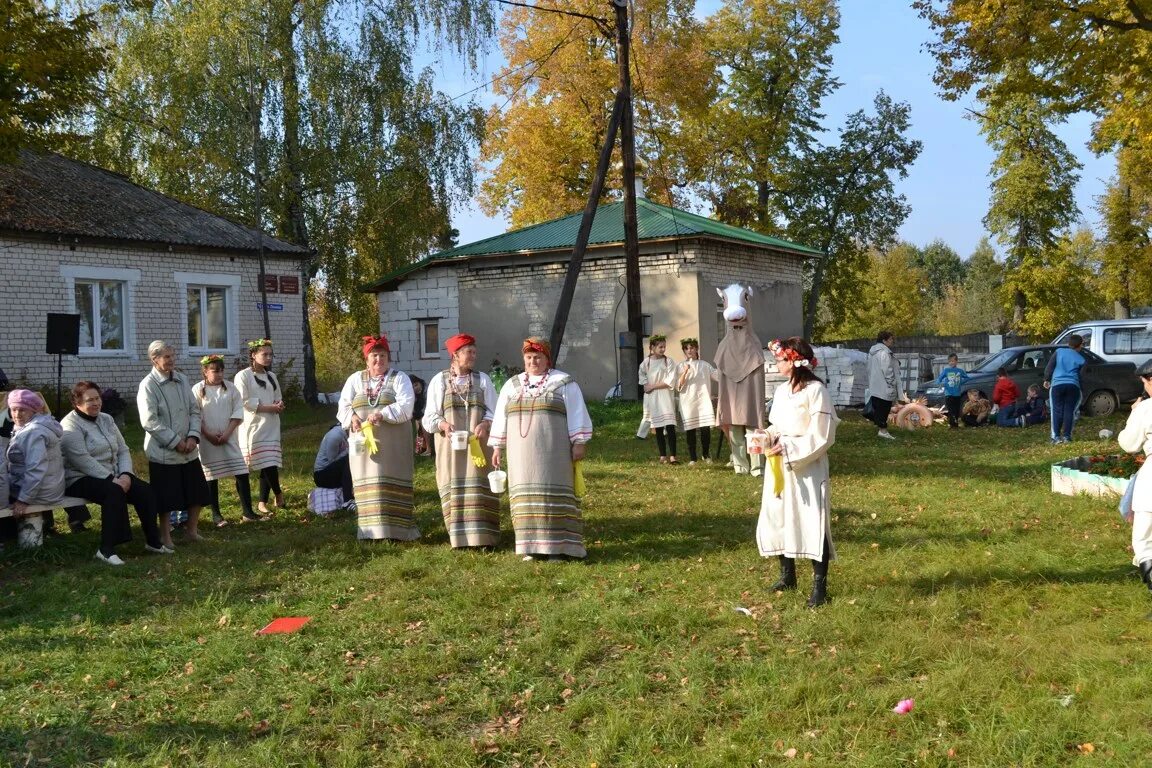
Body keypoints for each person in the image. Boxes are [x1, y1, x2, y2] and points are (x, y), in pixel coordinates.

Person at [489, 337, 592, 561]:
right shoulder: (512, 385)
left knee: (553, 496)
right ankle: (531, 547)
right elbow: (500, 417)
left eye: (538, 357)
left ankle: (559, 548)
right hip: (520, 456)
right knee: (524, 496)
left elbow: (577, 413)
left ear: (547, 359)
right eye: (528, 358)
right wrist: (497, 446)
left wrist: (579, 441)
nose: (533, 361)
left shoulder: (564, 383)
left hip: (553, 453)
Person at [757, 338, 840, 608]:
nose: (776, 364)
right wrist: (765, 437)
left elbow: (823, 435)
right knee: (780, 516)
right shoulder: (782, 392)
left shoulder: (816, 391)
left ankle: (820, 587)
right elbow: (777, 425)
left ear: (794, 360)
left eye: (780, 359)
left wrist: (790, 448)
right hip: (780, 466)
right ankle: (787, 575)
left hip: (807, 467)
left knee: (811, 519)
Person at [60, 381, 169, 564]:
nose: (96, 403)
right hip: (79, 478)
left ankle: (153, 542)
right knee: (113, 491)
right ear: (77, 402)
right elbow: (82, 460)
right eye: (90, 400)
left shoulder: (106, 419)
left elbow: (123, 450)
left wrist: (126, 474)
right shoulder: (70, 425)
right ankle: (106, 549)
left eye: (97, 398)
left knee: (145, 491)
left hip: (113, 475)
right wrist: (112, 479)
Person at [422, 332, 501, 549]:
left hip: (478, 444)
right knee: (453, 484)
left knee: (479, 484)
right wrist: (443, 425)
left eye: (475, 352)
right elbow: (429, 416)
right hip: (450, 446)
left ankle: (484, 537)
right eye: (469, 352)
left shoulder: (482, 380)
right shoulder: (440, 381)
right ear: (455, 355)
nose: (473, 356)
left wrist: (485, 424)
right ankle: (459, 538)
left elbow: (496, 411)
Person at [338, 334, 418, 541]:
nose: (378, 360)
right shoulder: (355, 379)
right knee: (367, 480)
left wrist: (383, 414)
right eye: (374, 356)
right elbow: (343, 406)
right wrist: (353, 417)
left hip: (394, 442)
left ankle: (398, 531)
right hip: (364, 444)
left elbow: (406, 406)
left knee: (394, 480)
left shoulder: (399, 378)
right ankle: (370, 532)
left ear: (388, 358)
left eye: (382, 356)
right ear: (366, 359)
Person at [137, 339, 210, 547]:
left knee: (196, 492)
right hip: (164, 452)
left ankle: (191, 531)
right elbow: (149, 421)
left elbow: (194, 410)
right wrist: (176, 442)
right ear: (154, 359)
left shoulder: (182, 379)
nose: (171, 360)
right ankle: (165, 536)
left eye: (173, 356)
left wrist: (193, 437)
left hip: (189, 448)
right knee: (166, 498)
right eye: (166, 357)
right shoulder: (148, 385)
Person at [194, 355, 261, 525]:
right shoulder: (197, 390)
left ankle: (248, 512)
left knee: (241, 471)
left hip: (228, 437)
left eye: (222, 370)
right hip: (207, 440)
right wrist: (208, 434)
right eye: (215, 371)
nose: (219, 374)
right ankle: (216, 514)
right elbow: (195, 414)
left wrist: (227, 433)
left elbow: (238, 412)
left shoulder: (230, 389)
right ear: (205, 371)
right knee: (211, 476)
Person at [4, 390, 66, 548]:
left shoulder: (33, 432)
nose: (17, 414)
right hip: (47, 486)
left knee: (1, 496)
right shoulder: (31, 425)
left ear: (34, 410)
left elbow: (36, 469)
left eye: (22, 409)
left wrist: (23, 500)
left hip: (41, 491)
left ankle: (5, 540)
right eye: (13, 409)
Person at [234, 339, 286, 514]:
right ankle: (278, 493)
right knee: (265, 462)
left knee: (269, 462)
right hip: (253, 426)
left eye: (271, 354)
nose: (269, 357)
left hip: (271, 424)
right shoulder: (243, 376)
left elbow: (278, 396)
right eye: (265, 354)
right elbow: (244, 402)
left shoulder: (271, 376)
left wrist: (279, 404)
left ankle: (262, 502)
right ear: (253, 355)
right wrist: (270, 407)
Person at [1118, 360, 1152, 597]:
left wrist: (1133, 414)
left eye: (1144, 382)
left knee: (1144, 540)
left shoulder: (1146, 409)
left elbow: (1129, 444)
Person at [675, 337, 717, 465]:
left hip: (703, 400)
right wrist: (685, 371)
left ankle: (705, 454)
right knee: (690, 429)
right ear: (684, 351)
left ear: (696, 349)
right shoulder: (680, 366)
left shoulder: (704, 365)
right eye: (686, 348)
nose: (689, 350)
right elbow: (678, 386)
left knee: (705, 429)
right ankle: (693, 457)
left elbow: (717, 376)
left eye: (691, 347)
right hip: (688, 401)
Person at [639, 334, 679, 464]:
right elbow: (643, 377)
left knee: (670, 426)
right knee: (658, 427)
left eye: (664, 347)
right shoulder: (646, 362)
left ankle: (673, 456)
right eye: (660, 347)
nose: (663, 349)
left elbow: (669, 381)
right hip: (653, 398)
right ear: (652, 347)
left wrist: (652, 386)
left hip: (666, 396)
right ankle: (662, 456)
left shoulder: (669, 361)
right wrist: (646, 385)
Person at [1044, 333, 1086, 444]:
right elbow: (1081, 377)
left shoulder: (1059, 352)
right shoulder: (1081, 359)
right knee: (1069, 411)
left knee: (1056, 410)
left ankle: (1055, 437)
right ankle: (1067, 437)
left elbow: (1050, 366)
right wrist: (1081, 390)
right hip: (1073, 386)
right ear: (1080, 346)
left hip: (1057, 384)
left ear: (1069, 343)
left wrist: (1047, 379)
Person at [867, 331, 906, 440]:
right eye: (890, 339)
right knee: (884, 409)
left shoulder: (872, 353)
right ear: (884, 340)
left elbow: (869, 369)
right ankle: (883, 431)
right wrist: (892, 383)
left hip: (875, 385)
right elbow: (887, 370)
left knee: (879, 408)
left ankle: (881, 429)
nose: (892, 341)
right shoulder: (884, 353)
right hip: (884, 387)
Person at [313, 423, 354, 507]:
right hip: (322, 475)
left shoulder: (346, 435)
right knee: (348, 459)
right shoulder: (335, 436)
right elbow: (332, 460)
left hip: (333, 473)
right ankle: (348, 501)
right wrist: (349, 450)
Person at [936, 354, 969, 428]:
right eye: (950, 361)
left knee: (956, 410)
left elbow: (967, 378)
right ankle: (952, 425)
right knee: (951, 410)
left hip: (957, 394)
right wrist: (943, 384)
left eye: (953, 361)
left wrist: (961, 382)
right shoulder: (946, 370)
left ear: (957, 361)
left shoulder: (960, 371)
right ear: (948, 362)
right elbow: (938, 380)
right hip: (948, 394)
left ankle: (955, 424)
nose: (951, 362)